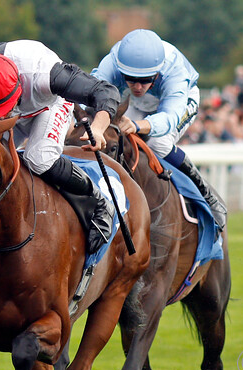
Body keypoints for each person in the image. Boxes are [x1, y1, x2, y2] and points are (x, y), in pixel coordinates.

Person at [0, 40, 122, 253]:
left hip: (49, 104)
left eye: (2, 110)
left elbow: (106, 92)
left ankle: (98, 201)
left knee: (39, 158)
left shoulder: (48, 75)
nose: (0, 117)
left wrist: (98, 128)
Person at [92, 29, 226, 230]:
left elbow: (170, 118)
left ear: (157, 72)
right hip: (139, 104)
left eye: (145, 80)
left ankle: (205, 191)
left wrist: (138, 126)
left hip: (179, 102)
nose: (137, 86)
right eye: (130, 78)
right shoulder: (113, 62)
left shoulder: (174, 70)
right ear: (121, 69)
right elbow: (92, 94)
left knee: (157, 142)